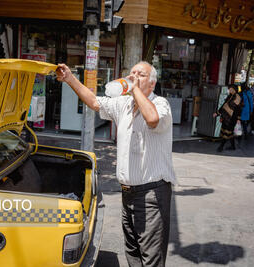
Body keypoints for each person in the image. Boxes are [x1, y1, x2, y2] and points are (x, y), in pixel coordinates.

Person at [56, 61, 176, 267]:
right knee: (133, 252)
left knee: (151, 258)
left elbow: (153, 119)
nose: (135, 76)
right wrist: (69, 79)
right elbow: (94, 102)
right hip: (128, 194)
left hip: (151, 195)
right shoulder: (124, 104)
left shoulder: (161, 103)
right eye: (132, 73)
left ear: (153, 83)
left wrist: (135, 88)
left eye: (141, 74)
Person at [213, 84, 242, 152]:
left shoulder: (237, 97)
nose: (229, 90)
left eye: (230, 89)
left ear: (234, 89)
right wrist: (217, 113)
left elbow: (239, 109)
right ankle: (233, 146)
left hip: (232, 118)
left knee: (227, 132)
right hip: (226, 117)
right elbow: (224, 105)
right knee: (229, 132)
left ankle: (221, 147)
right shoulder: (230, 96)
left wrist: (238, 119)